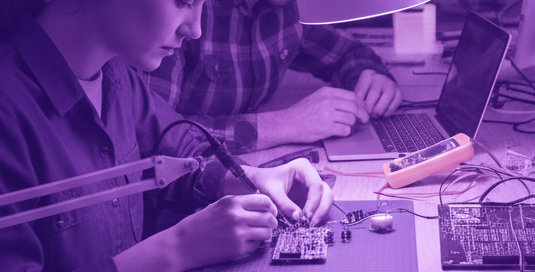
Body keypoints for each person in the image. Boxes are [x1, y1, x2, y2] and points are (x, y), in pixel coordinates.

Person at [0, 0, 332, 271]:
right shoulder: (9, 110)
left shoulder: (117, 76)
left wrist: (253, 178)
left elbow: (182, 152)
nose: (196, 29)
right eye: (183, 2)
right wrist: (177, 248)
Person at [147, 0, 402, 154]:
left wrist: (371, 76)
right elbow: (155, 135)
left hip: (245, 170)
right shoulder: (186, 12)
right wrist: (285, 124)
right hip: (177, 202)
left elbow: (345, 52)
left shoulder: (283, 7)